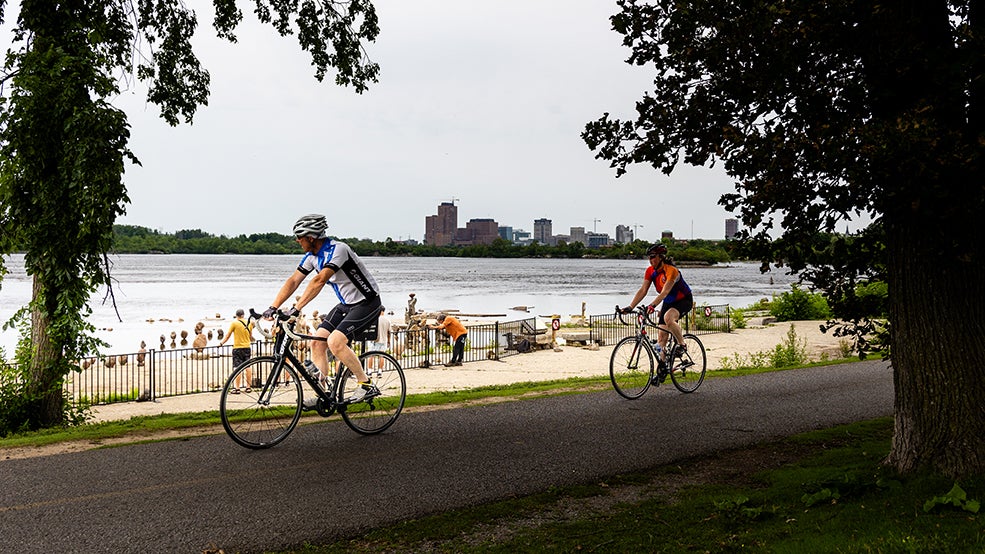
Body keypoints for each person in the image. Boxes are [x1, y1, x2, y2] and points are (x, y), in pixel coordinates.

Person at [263, 214, 382, 407]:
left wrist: (296, 309)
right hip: (346, 305)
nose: (297, 241)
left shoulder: (339, 250)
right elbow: (294, 280)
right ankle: (324, 393)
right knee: (317, 343)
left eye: (299, 237)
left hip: (367, 302)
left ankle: (366, 383)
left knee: (335, 341)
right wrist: (273, 307)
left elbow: (319, 280)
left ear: (311, 237)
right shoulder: (312, 257)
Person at [622, 243, 693, 372]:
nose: (650, 260)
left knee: (668, 318)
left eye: (653, 257)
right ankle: (662, 368)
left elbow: (664, 292)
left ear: (661, 257)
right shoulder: (650, 271)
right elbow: (643, 290)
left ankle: (682, 345)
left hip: (684, 300)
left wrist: (652, 305)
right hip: (668, 302)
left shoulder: (671, 271)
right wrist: (630, 306)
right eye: (649, 257)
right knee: (661, 339)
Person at [218, 308, 257, 393]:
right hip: (247, 347)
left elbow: (228, 335)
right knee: (248, 367)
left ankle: (237, 388)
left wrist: (221, 343)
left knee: (237, 368)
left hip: (237, 348)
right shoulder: (249, 323)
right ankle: (248, 387)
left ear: (236, 316)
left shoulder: (234, 323)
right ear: (243, 315)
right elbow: (250, 336)